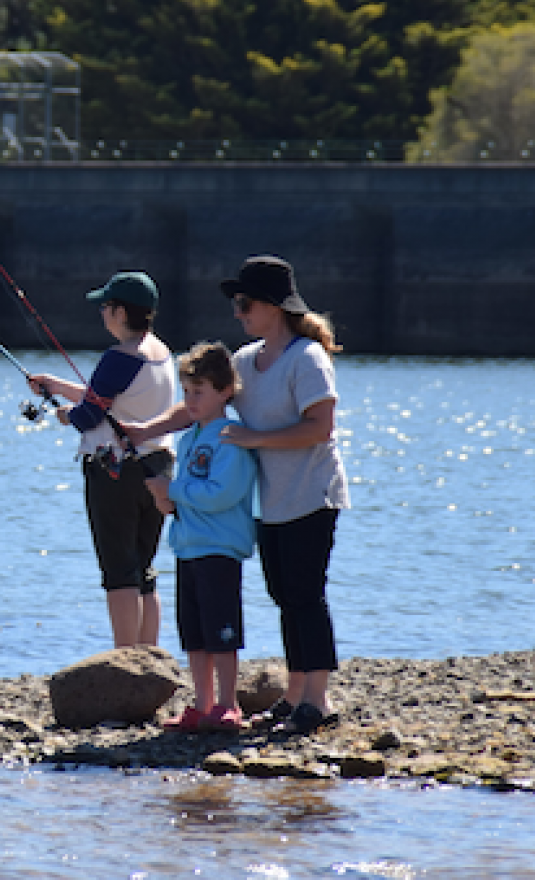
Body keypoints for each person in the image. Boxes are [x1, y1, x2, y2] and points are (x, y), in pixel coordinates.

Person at [121, 255, 349, 736]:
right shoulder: (246, 361)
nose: (238, 313)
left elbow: (320, 427)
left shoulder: (307, 357)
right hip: (271, 502)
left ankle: (318, 699)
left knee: (306, 595)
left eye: (245, 304)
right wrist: (147, 429)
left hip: (312, 495)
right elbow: (198, 409)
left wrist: (254, 440)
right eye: (236, 304)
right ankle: (292, 697)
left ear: (274, 306)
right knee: (283, 595)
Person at [27, 271, 179, 649]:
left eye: (106, 306)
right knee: (145, 570)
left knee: (119, 571)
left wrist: (64, 414)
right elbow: (110, 398)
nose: (102, 313)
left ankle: (125, 659)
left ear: (121, 312)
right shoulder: (161, 352)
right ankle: (149, 657)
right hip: (158, 467)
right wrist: (60, 386)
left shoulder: (118, 356)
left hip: (116, 472)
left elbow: (90, 415)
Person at [146, 342, 258, 733]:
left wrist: (173, 491)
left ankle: (228, 705)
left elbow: (222, 494)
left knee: (222, 633)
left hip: (220, 549)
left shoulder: (231, 437)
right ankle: (201, 704)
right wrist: (168, 504)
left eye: (200, 391)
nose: (191, 400)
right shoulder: (190, 436)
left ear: (225, 391)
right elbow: (189, 494)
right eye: (187, 391)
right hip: (189, 545)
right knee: (193, 634)